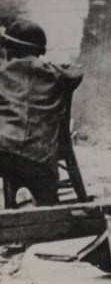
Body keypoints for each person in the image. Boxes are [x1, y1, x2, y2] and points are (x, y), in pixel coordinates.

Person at [0, 19, 83, 206]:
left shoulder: (2, 71)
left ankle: (21, 196)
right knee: (45, 193)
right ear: (39, 51)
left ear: (10, 48)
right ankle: (32, 197)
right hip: (40, 158)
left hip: (3, 152)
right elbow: (77, 72)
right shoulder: (54, 74)